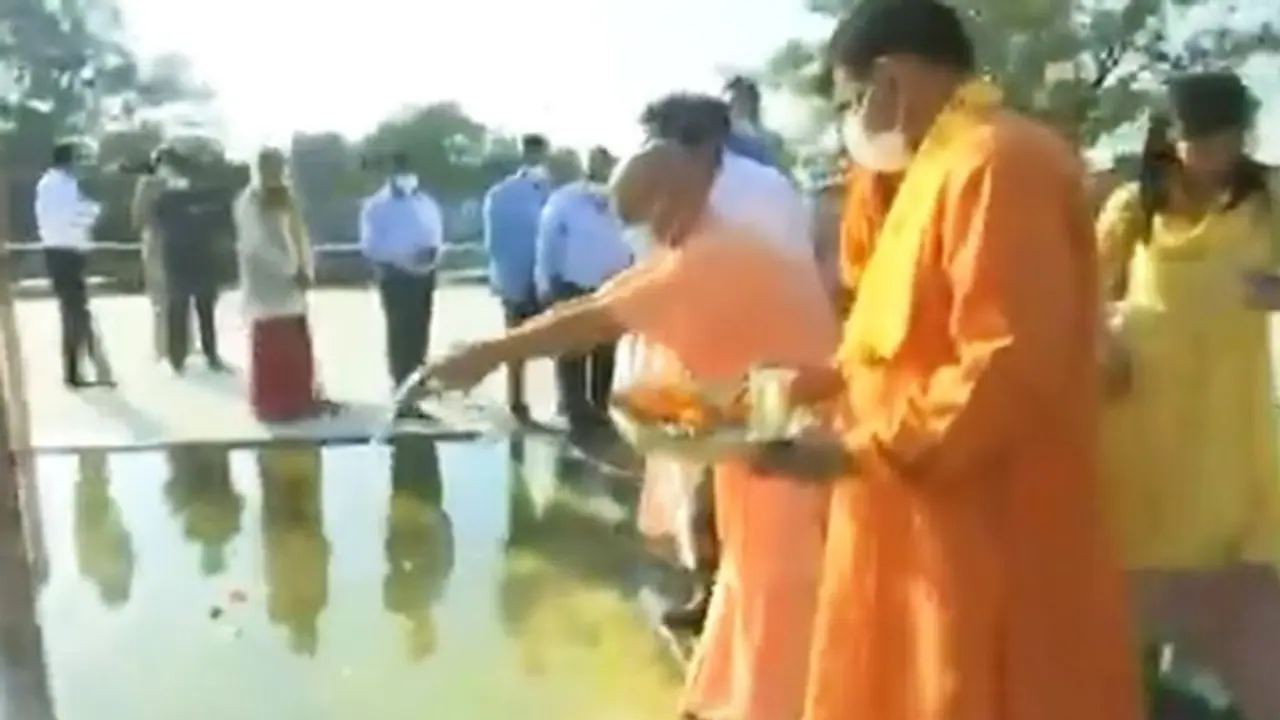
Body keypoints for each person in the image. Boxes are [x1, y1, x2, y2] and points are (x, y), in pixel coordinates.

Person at [752, 2, 1144, 719]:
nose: (849, 124)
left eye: (847, 103)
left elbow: (1007, 366)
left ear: (887, 81)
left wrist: (855, 452)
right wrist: (784, 392)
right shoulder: (930, 172)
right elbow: (889, 345)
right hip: (907, 521)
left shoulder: (1001, 163)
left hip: (984, 532)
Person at [413, 140, 836, 720]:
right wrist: (486, 350)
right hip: (762, 441)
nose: (632, 235)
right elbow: (602, 301)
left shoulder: (714, 257)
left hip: (801, 447)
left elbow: (594, 322)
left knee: (780, 593)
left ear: (673, 200)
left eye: (635, 218)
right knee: (748, 580)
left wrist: (487, 356)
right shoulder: (702, 243)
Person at [1097, 71, 1280, 719]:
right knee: (1130, 583)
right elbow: (1082, 294)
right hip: (1140, 409)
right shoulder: (1132, 207)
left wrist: (1268, 291)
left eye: (1228, 138)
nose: (1214, 153)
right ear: (1169, 138)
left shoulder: (1267, 200)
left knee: (1235, 575)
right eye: (1200, 140)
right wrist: (1104, 343)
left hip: (1229, 412)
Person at [234, 147, 339, 423]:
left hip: (293, 286)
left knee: (296, 345)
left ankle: (301, 398)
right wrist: (290, 270)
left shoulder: (286, 197)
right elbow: (256, 243)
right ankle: (273, 404)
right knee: (271, 346)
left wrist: (306, 269)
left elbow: (299, 236)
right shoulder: (250, 201)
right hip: (268, 284)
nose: (276, 173)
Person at [536, 146, 630, 430]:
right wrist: (545, 281)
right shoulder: (565, 199)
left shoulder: (622, 197)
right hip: (572, 284)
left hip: (613, 285)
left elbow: (635, 238)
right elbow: (548, 243)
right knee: (573, 350)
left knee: (605, 350)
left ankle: (599, 407)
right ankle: (575, 409)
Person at [359, 151, 443, 416]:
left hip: (424, 276)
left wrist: (431, 254)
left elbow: (437, 235)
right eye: (399, 169)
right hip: (396, 277)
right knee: (399, 336)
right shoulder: (376, 207)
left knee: (419, 335)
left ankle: (415, 389)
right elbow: (371, 246)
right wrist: (404, 257)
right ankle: (400, 392)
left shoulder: (426, 203)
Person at [482, 134, 551, 421]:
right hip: (518, 277)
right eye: (532, 153)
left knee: (565, 339)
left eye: (540, 154)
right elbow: (495, 242)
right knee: (516, 342)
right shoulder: (503, 194)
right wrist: (507, 278)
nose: (536, 159)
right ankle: (516, 400)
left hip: (552, 278)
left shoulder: (557, 190)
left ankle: (567, 403)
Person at [34, 141, 112, 389]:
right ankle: (75, 371)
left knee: (76, 310)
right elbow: (70, 218)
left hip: (63, 251)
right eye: (80, 159)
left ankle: (86, 367)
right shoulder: (61, 186)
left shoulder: (54, 184)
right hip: (65, 252)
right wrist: (94, 210)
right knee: (75, 312)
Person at [151, 150, 231, 374]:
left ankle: (199, 355)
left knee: (198, 309)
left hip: (193, 257)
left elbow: (221, 220)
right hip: (184, 257)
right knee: (185, 309)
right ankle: (184, 356)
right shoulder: (170, 197)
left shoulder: (184, 197)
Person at [722, 76, 783, 168]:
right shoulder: (717, 138)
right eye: (733, 100)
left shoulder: (769, 141)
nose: (736, 104)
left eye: (743, 100)